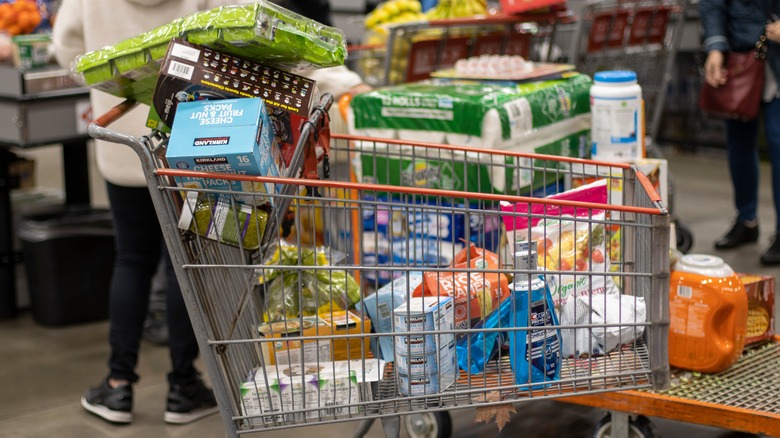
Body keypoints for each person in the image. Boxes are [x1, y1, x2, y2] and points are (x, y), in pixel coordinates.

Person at [52, 0, 366, 426]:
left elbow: (66, 46)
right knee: (184, 263)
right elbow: (240, 35)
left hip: (122, 141)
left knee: (131, 258)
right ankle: (183, 386)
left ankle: (117, 385)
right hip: (191, 139)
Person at [700, 0, 780, 265]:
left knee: (778, 142)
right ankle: (747, 221)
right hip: (741, 58)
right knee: (739, 145)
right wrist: (715, 47)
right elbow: (712, 4)